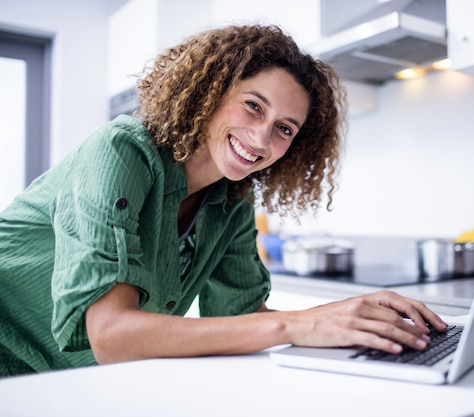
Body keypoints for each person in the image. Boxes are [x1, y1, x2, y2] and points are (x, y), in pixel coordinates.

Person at [0, 24, 447, 377]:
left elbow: (244, 317)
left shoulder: (231, 199)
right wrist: (299, 325)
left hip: (68, 382)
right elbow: (112, 335)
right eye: (254, 106)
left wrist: (353, 318)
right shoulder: (121, 151)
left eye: (285, 128)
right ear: (211, 91)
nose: (262, 137)